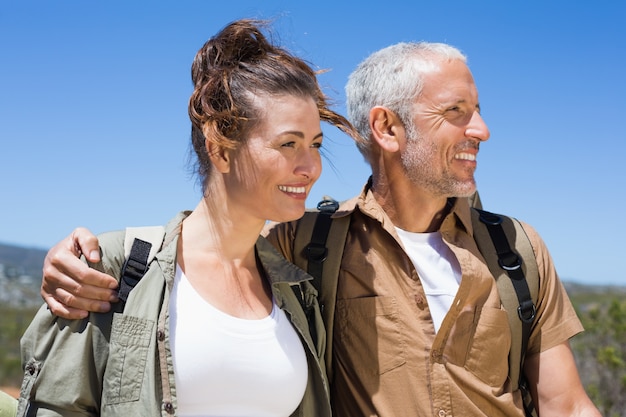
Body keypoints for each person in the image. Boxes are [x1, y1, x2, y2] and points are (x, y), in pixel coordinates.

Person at [38, 42, 601, 416]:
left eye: (314, 146)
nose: (482, 129)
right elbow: (203, 239)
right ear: (386, 127)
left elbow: (567, 406)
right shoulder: (306, 243)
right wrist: (84, 253)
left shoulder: (515, 251)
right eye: (456, 112)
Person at [17, 18, 360, 417]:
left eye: (315, 145)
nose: (311, 167)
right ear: (220, 148)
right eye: (288, 143)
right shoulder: (114, 267)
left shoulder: (297, 291)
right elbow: (57, 406)